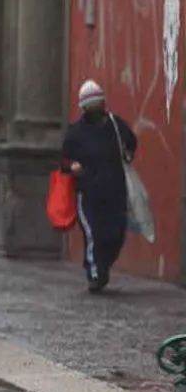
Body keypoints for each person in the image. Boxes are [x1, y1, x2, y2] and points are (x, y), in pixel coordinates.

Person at [61, 79, 136, 293]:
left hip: (115, 190)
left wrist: (128, 153)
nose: (95, 109)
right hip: (88, 192)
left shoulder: (115, 124)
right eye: (91, 105)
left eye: (98, 104)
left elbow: (130, 141)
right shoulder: (76, 132)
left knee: (115, 233)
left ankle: (102, 265)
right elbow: (63, 160)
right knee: (93, 233)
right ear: (83, 108)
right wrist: (72, 166)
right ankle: (95, 273)